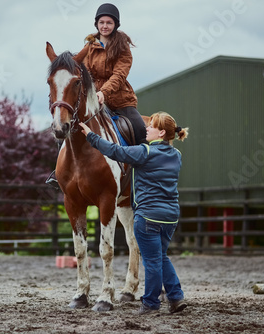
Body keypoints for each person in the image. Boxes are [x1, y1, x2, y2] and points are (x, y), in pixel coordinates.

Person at [79, 111, 189, 315]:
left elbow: (115, 151)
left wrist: (91, 136)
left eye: (152, 126)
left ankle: (150, 303)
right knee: (162, 257)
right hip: (170, 217)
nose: (146, 128)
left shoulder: (144, 152)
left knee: (152, 262)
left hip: (147, 217)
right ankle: (176, 297)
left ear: (161, 132)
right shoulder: (177, 155)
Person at [46, 3, 146, 188]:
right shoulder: (89, 46)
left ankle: (146, 168)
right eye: (102, 22)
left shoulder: (122, 47)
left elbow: (119, 75)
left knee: (140, 128)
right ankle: (58, 171)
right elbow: (84, 72)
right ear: (96, 24)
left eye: (109, 22)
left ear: (116, 25)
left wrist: (104, 92)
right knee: (67, 125)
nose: (105, 26)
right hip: (93, 100)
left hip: (120, 99)